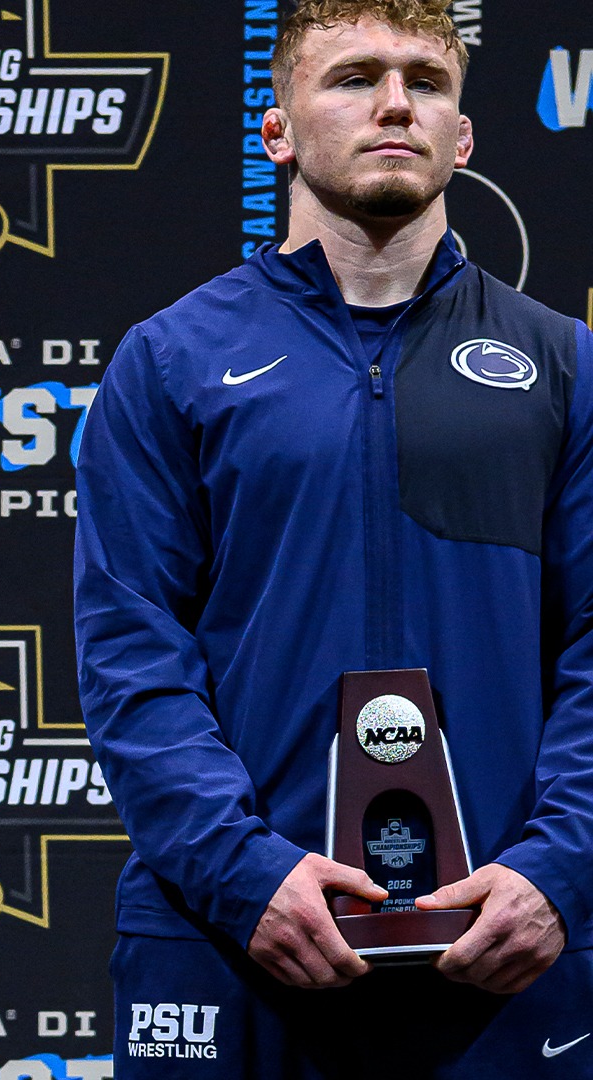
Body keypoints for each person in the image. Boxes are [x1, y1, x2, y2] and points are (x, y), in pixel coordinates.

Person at [74, 1, 593, 1074]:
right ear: (277, 130)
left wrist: (561, 868)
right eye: (353, 77)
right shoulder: (169, 360)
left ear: (463, 137)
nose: (395, 102)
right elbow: (133, 652)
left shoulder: (565, 365)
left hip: (506, 947)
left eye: (427, 81)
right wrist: (242, 871)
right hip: (237, 945)